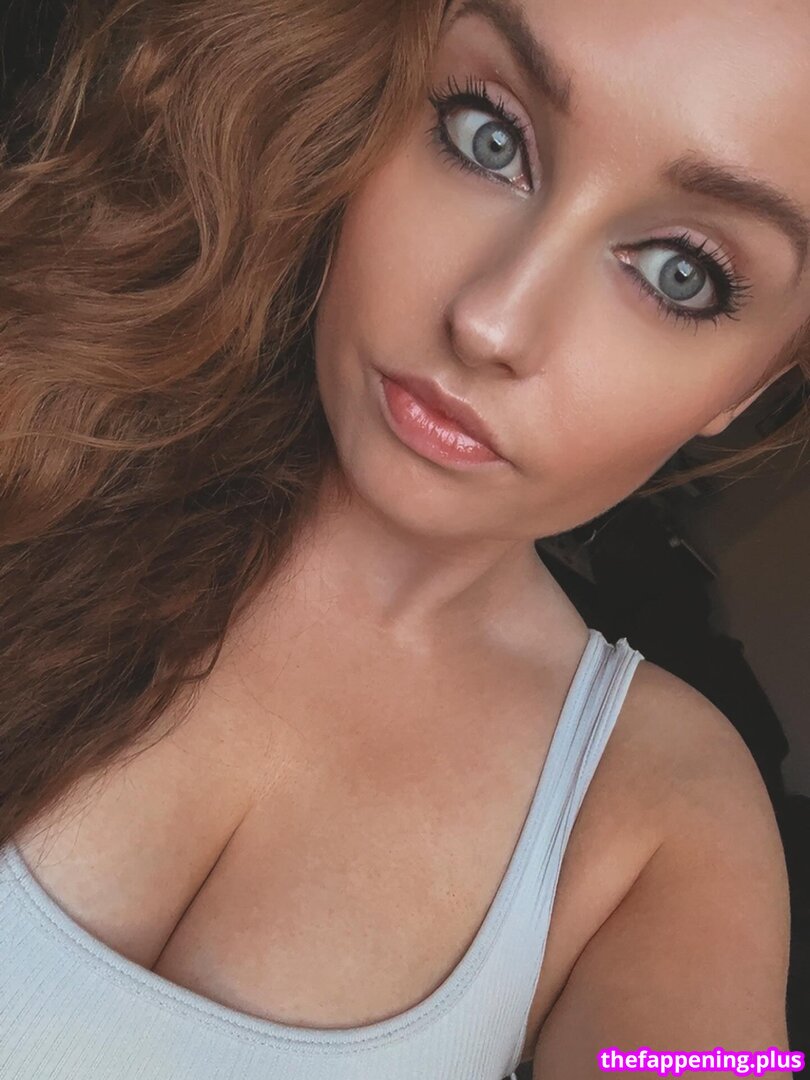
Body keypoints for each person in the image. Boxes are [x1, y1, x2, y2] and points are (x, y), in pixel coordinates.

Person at [0, 0, 807, 1077]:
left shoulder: (666, 822)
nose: (492, 321)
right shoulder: (35, 409)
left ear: (755, 378)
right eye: (488, 135)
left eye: (679, 273)